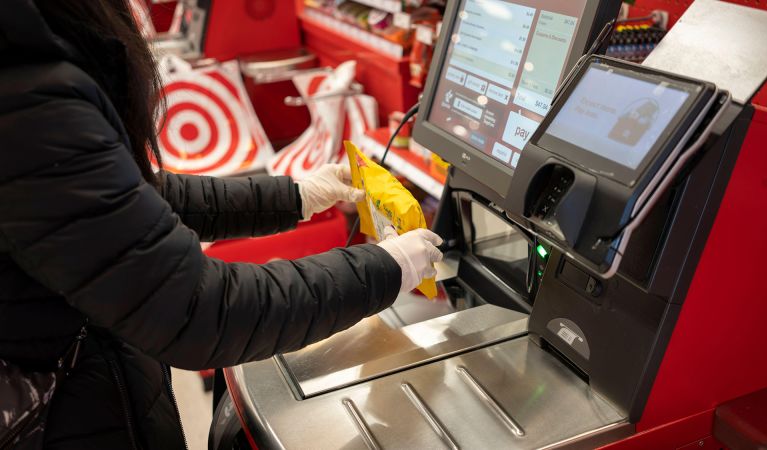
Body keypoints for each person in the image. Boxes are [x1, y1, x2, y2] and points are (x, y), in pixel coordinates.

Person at [0, 1, 443, 449]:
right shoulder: (27, 96)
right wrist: (385, 267)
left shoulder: (33, 62)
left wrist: (293, 196)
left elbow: (124, 196)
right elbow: (196, 309)